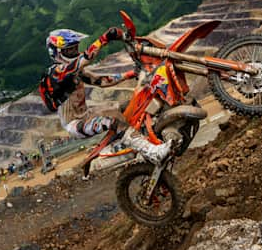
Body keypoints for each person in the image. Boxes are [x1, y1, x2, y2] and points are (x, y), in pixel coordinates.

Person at [40, 27, 173, 167]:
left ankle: (143, 141)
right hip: (74, 124)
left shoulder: (73, 72)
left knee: (126, 108)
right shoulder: (57, 72)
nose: (74, 52)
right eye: (69, 50)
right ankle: (153, 152)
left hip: (87, 114)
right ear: (57, 53)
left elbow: (102, 81)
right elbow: (85, 58)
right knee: (113, 122)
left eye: (75, 48)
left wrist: (131, 74)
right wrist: (104, 38)